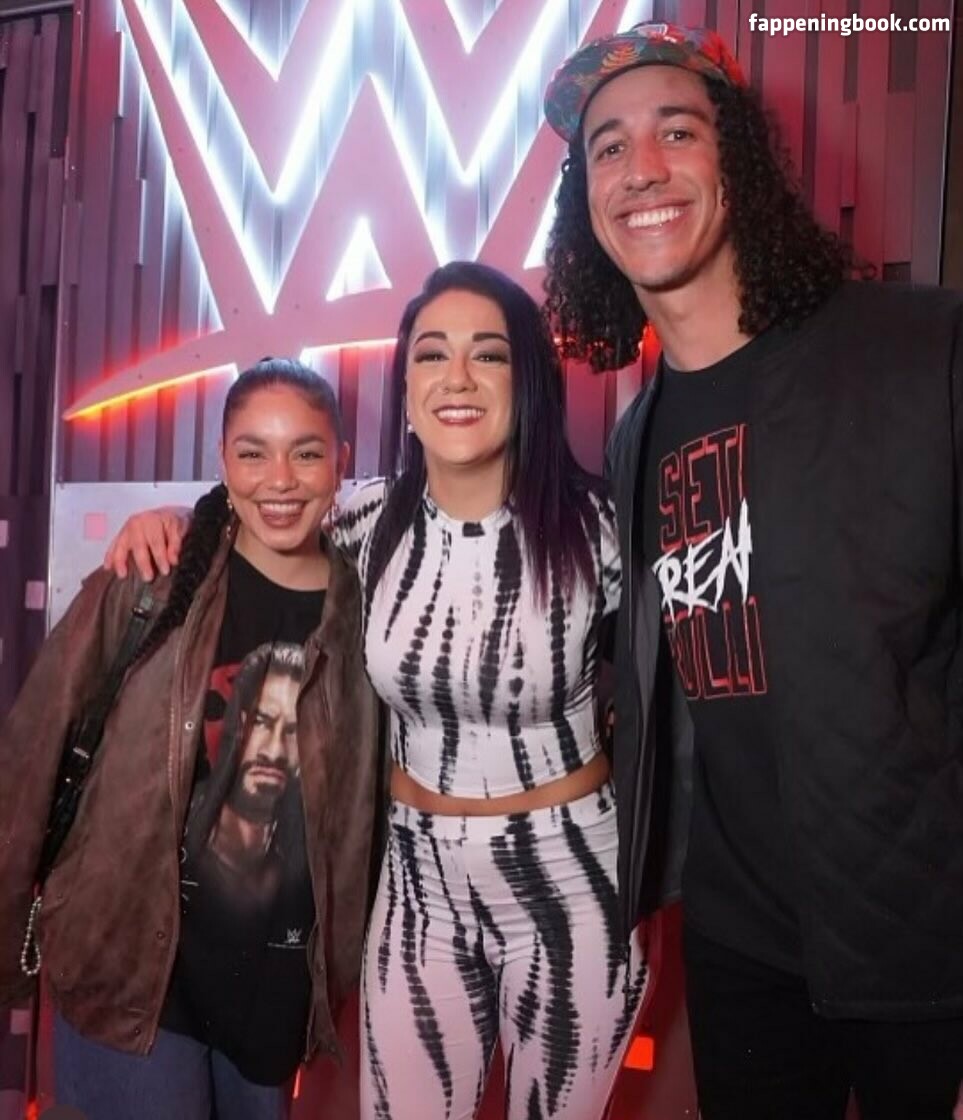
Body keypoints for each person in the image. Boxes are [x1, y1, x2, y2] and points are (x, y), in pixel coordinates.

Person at [102, 261, 648, 1120]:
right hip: (418, 883)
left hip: (570, 881)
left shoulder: (602, 530)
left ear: (528, 381)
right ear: (406, 387)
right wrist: (172, 517)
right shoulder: (365, 520)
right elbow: (268, 500)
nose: (456, 378)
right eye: (431, 355)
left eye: (488, 354)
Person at [541, 21, 963, 1120]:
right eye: (609, 147)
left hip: (926, 949)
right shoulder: (637, 436)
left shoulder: (921, 351)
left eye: (677, 131)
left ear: (738, 160)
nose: (642, 169)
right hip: (740, 954)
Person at [0, 358, 381, 1120]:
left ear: (341, 460)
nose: (279, 479)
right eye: (252, 452)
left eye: (306, 452)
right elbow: (32, 753)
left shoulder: (371, 614)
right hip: (130, 963)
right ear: (222, 460)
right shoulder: (153, 576)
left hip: (271, 989)